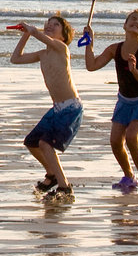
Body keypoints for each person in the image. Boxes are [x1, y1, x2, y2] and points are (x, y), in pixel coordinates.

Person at [85, 8, 138, 194]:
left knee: (131, 136)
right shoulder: (115, 49)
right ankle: (129, 176)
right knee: (114, 141)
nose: (136, 22)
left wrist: (134, 70)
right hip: (124, 101)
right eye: (132, 19)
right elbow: (91, 66)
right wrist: (89, 42)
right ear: (125, 25)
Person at [6, 14, 82, 200]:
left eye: (55, 25)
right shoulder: (43, 54)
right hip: (56, 108)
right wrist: (26, 35)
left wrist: (33, 31)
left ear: (64, 36)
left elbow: (42, 37)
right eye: (48, 23)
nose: (50, 25)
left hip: (71, 107)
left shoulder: (62, 48)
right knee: (32, 142)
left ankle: (64, 186)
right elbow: (15, 59)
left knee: (45, 144)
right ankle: (52, 175)